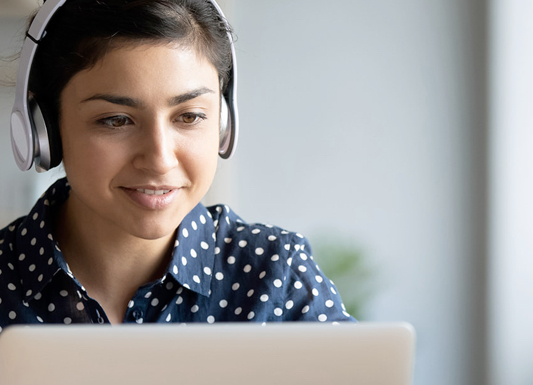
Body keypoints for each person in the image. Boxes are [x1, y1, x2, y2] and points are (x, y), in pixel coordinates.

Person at [0, 0, 354, 330]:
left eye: (189, 116)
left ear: (223, 123)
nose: (160, 159)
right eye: (115, 120)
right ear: (44, 129)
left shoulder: (278, 274)